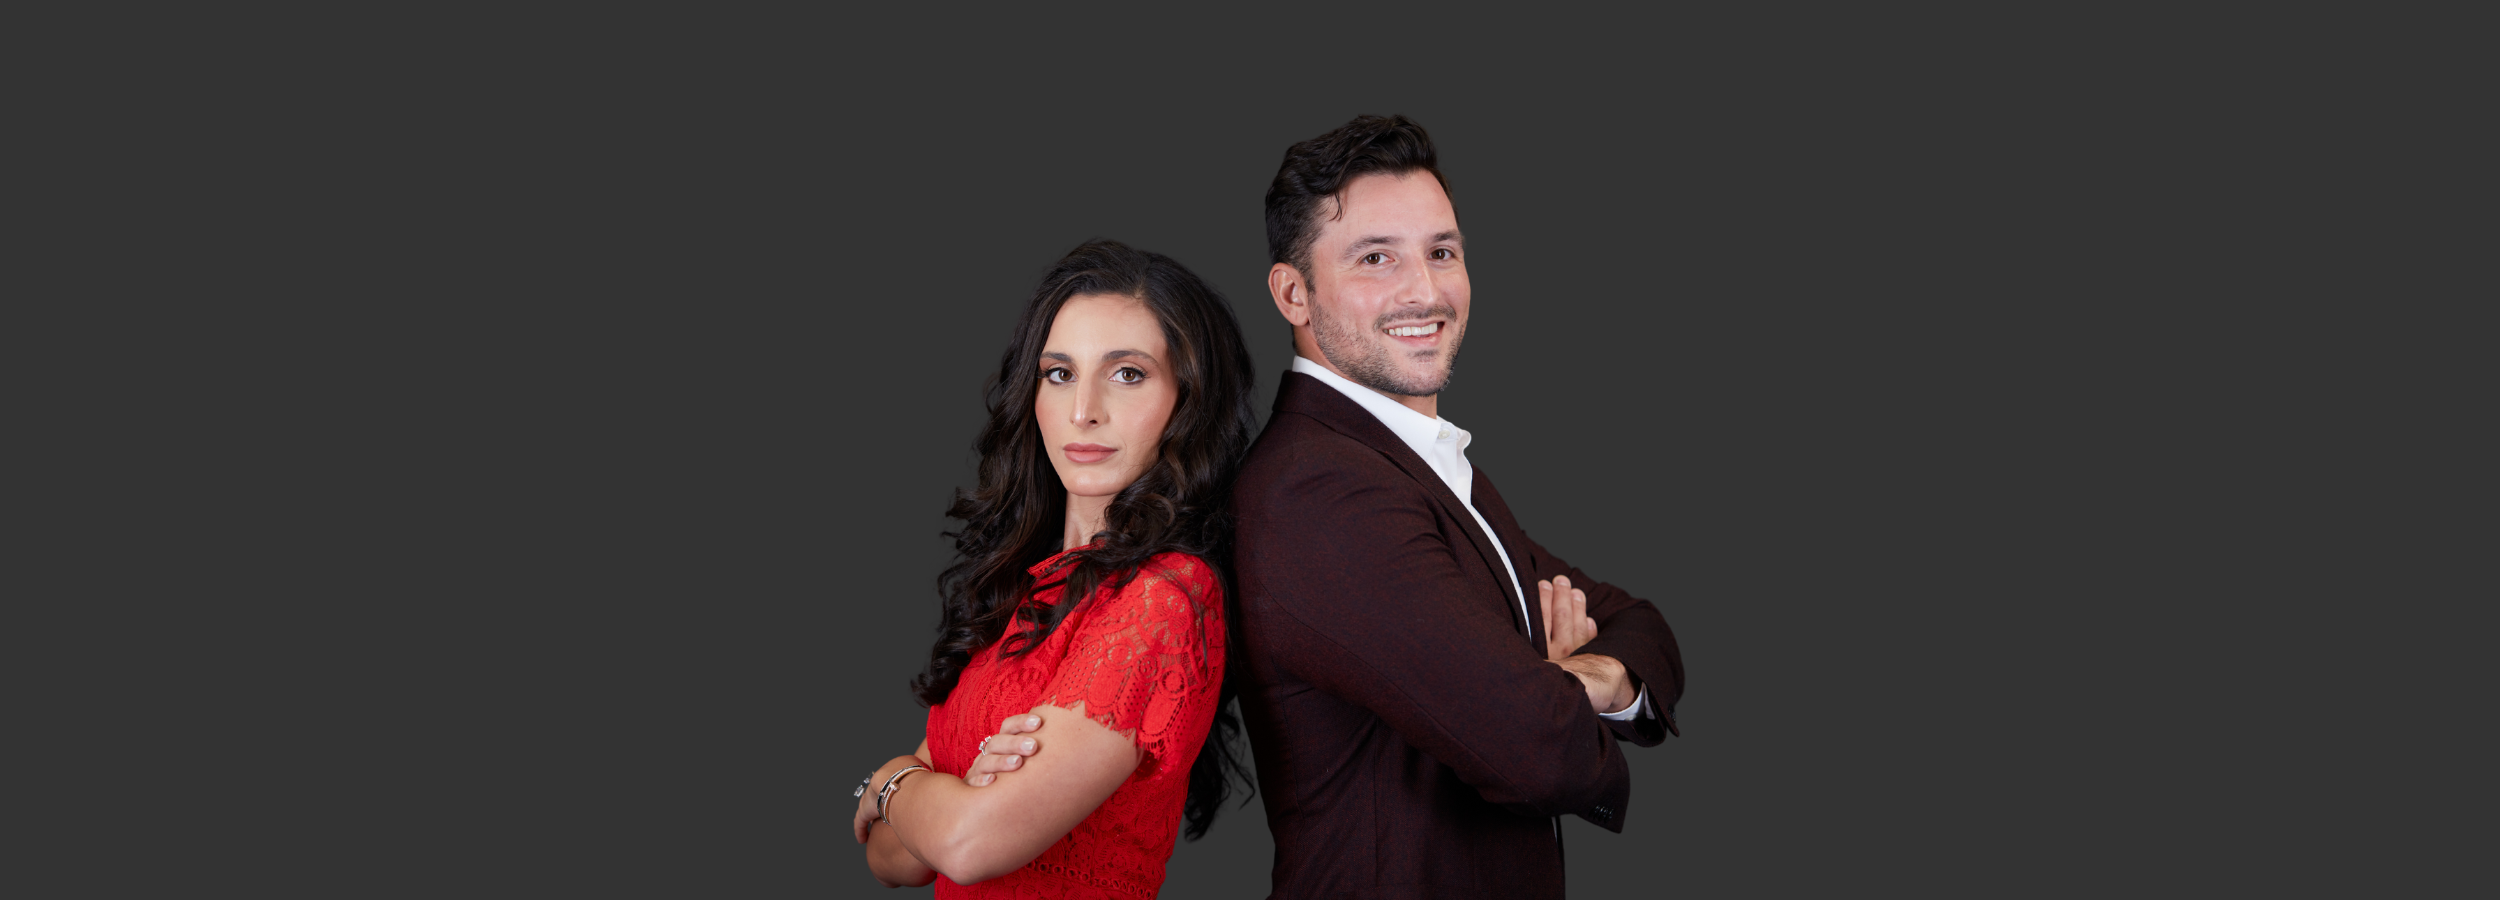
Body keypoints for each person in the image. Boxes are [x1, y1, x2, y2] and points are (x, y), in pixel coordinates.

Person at [1229, 115, 1687, 899]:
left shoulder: (1413, 465)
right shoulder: (1321, 491)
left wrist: (1588, 681)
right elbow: (1540, 752)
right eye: (1377, 258)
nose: (1426, 291)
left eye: (1442, 252)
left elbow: (1636, 620)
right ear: (1293, 293)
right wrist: (1541, 698)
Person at [852, 240, 1259, 897]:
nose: (1083, 411)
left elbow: (967, 843)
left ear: (1190, 399)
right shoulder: (1023, 583)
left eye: (1127, 373)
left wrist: (892, 779)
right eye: (1060, 373)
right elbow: (891, 858)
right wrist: (938, 795)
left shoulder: (1166, 596)